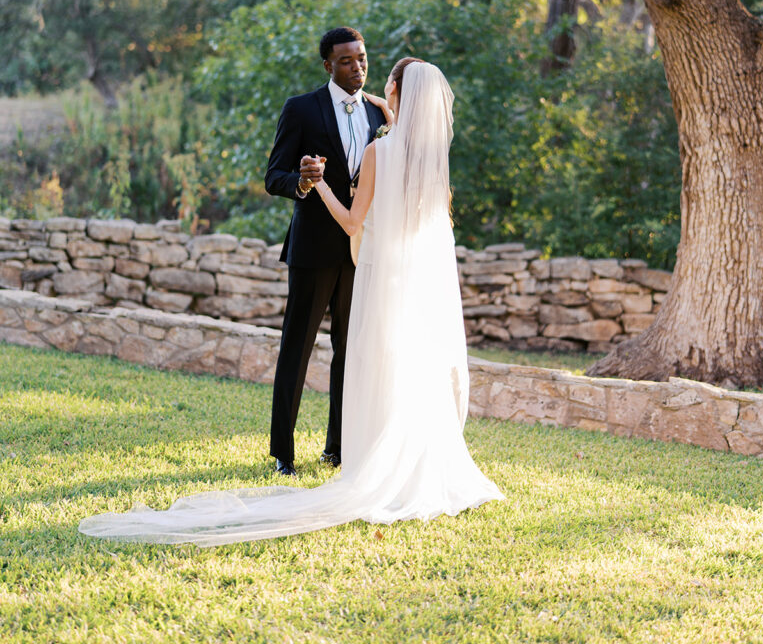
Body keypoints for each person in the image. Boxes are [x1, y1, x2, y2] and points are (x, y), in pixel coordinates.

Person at [78, 58, 502, 545]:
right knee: (403, 367)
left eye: (383, 79)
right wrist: (391, 108)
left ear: (400, 94)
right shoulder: (429, 157)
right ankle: (408, 466)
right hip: (409, 284)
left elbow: (350, 223)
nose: (367, 74)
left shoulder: (382, 152)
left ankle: (365, 463)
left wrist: (319, 182)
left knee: (368, 362)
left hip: (374, 273)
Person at [263, 26, 388, 476]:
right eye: (347, 61)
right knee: (296, 350)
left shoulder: (379, 114)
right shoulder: (301, 109)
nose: (357, 68)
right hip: (312, 251)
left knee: (349, 352)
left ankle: (338, 447)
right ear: (328, 66)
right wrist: (300, 179)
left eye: (362, 59)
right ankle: (283, 453)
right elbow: (272, 176)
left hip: (361, 252)